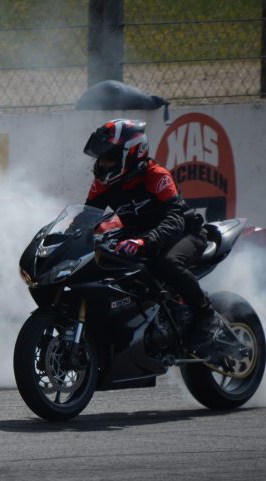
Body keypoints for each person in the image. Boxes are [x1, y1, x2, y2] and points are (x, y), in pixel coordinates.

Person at [83, 118, 219, 348]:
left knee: (169, 263)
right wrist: (70, 237)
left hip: (186, 233)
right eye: (101, 159)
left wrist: (145, 240)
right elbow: (86, 218)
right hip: (141, 235)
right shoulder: (103, 184)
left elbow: (174, 219)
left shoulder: (156, 175)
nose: (103, 164)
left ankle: (207, 315)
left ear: (131, 152)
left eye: (109, 157)